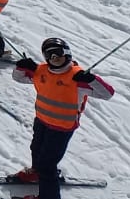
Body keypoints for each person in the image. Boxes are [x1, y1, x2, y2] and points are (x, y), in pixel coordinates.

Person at [12, 38, 115, 199]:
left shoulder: (77, 79)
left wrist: (92, 79)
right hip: (41, 120)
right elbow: (18, 78)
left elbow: (108, 93)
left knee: (47, 164)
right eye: (49, 55)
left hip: (62, 128)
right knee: (36, 149)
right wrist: (22, 67)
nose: (54, 58)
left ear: (67, 54)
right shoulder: (41, 71)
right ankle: (36, 173)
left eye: (58, 53)